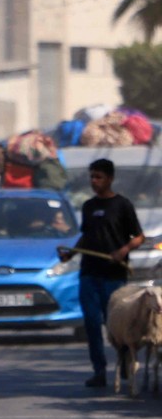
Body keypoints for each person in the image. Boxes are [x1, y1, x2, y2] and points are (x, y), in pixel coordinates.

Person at [65, 159, 145, 389]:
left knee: (116, 325)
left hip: (114, 276)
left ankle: (123, 362)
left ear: (110, 178)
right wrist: (71, 254)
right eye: (91, 176)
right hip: (89, 273)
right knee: (91, 323)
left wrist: (124, 250)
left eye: (98, 177)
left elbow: (139, 237)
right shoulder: (89, 206)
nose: (94, 181)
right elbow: (86, 236)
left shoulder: (122, 205)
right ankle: (99, 371)